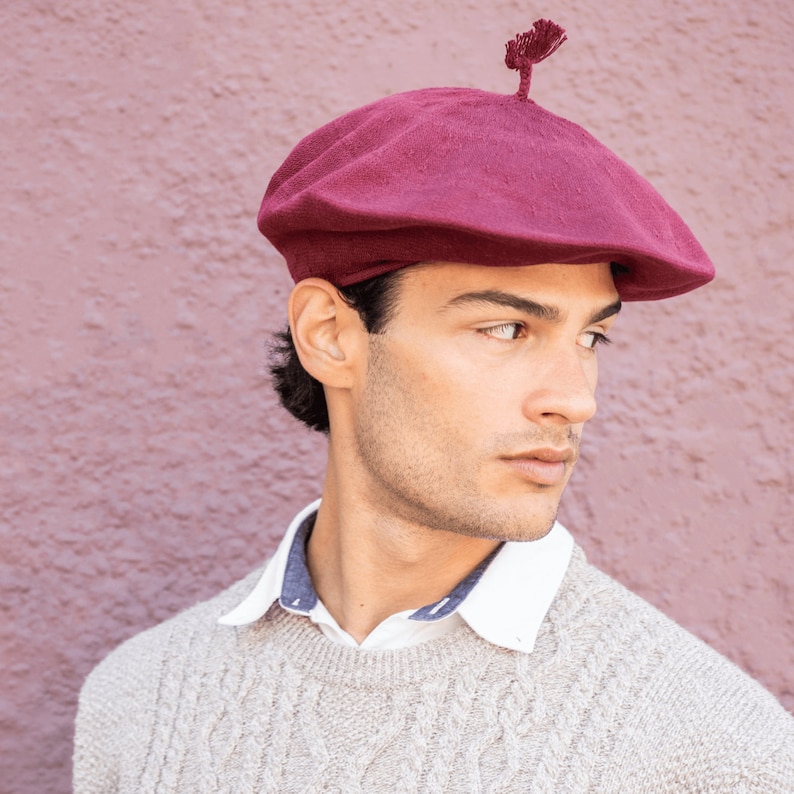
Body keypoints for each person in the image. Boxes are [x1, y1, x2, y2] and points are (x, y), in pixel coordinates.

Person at [74, 20, 794, 792]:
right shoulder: (138, 703)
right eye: (506, 327)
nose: (574, 399)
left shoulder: (716, 749)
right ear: (330, 334)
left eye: (592, 338)